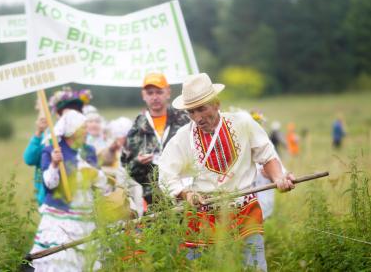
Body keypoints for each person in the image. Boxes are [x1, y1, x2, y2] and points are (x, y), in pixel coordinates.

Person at [158, 73, 295, 271]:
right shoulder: (183, 138)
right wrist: (185, 193)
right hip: (203, 213)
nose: (197, 117)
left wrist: (279, 177)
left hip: (245, 208)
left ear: (216, 103)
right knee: (199, 267)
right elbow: (166, 173)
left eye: (201, 109)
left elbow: (267, 156)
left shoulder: (243, 124)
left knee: (255, 266)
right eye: (191, 112)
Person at [30, 110, 108, 271]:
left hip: (85, 216)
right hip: (60, 217)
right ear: (72, 131)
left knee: (86, 262)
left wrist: (93, 173)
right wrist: (53, 164)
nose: (87, 131)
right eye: (83, 127)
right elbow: (49, 185)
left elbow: (102, 183)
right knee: (61, 260)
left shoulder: (89, 151)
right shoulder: (52, 150)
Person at [121, 73, 190, 206]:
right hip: (155, 199)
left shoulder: (184, 119)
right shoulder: (138, 126)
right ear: (143, 95)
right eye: (150, 93)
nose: (155, 97)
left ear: (168, 92)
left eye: (159, 92)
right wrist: (138, 162)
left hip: (186, 193)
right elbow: (127, 165)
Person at [23, 88, 96, 206]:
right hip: (53, 202)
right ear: (58, 115)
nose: (72, 116)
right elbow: (29, 159)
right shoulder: (49, 140)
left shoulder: (85, 142)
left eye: (76, 113)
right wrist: (39, 132)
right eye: (68, 113)